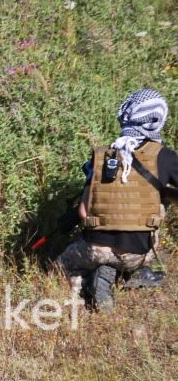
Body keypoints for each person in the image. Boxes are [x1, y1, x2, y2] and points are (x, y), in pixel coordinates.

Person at [57, 89, 178, 311]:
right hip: (139, 253)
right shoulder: (167, 158)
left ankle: (88, 280)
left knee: (63, 265)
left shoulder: (102, 157)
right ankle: (126, 272)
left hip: (95, 248)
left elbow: (84, 212)